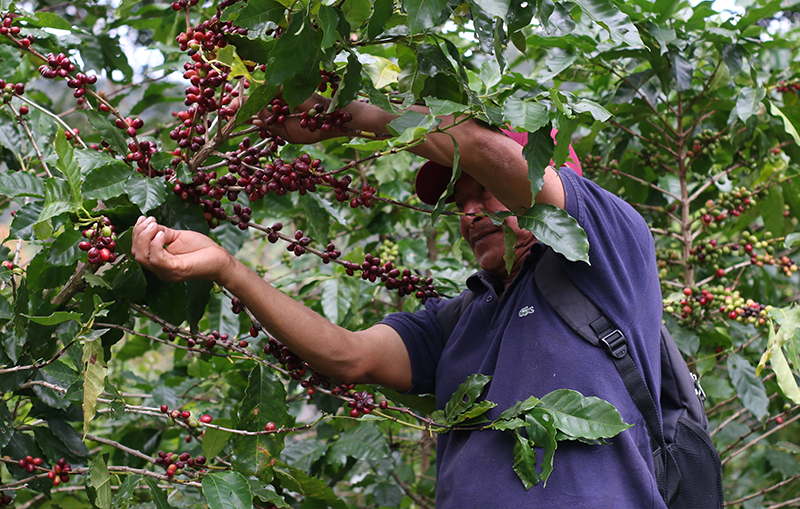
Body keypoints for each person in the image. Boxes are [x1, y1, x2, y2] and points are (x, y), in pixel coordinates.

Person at [131, 93, 666, 509]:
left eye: (484, 190)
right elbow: (349, 356)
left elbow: (481, 148)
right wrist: (228, 269)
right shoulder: (462, 317)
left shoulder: (605, 249)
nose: (469, 213)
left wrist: (344, 116)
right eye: (459, 201)